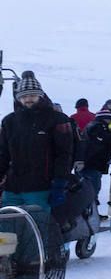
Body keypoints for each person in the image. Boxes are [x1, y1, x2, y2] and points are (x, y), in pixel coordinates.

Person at [0, 72, 75, 208]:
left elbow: (64, 154)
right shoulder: (9, 121)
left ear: (40, 96)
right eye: (24, 96)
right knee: (8, 226)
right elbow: (3, 154)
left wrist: (59, 183)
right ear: (19, 98)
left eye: (32, 95)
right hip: (12, 188)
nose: (28, 99)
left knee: (38, 226)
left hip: (41, 188)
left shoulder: (57, 119)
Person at [81, 106, 111, 213]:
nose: (110, 121)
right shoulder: (98, 126)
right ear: (105, 118)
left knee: (87, 189)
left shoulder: (94, 125)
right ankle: (90, 214)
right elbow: (103, 138)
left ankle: (91, 214)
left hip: (89, 162)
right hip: (93, 162)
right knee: (92, 189)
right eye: (109, 119)